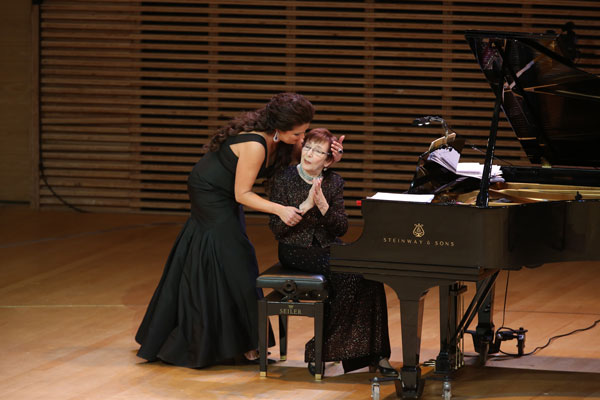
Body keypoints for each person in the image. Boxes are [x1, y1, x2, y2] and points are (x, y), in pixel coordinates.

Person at [135, 93, 343, 368]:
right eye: (298, 133)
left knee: (226, 258)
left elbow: (303, 171)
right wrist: (280, 210)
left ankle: (233, 342)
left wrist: (329, 159)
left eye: (304, 132)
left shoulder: (282, 140)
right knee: (237, 260)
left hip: (226, 195)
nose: (302, 138)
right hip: (210, 192)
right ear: (279, 128)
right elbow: (242, 194)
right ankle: (245, 344)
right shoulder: (255, 145)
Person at [268, 128, 398, 377]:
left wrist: (324, 207)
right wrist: (305, 206)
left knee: (370, 274)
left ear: (328, 160)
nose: (309, 154)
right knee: (349, 276)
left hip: (327, 246)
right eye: (307, 147)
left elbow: (341, 228)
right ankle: (320, 350)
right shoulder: (284, 178)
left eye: (318, 151)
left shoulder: (334, 182)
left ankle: (378, 355)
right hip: (295, 249)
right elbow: (277, 229)